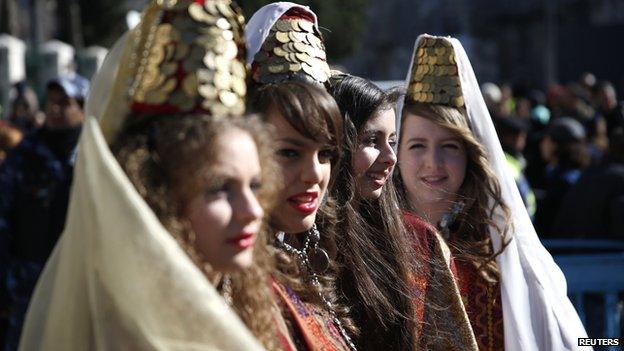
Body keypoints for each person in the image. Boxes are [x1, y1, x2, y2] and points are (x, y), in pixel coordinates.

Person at [19, 1, 280, 350]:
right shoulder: (118, 336)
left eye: (255, 185)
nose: (254, 210)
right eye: (220, 189)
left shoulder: (249, 303)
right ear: (158, 195)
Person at [396, 34, 588, 350]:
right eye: (417, 145)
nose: (434, 162)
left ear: (469, 156)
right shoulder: (374, 249)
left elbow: (576, 339)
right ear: (397, 153)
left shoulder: (506, 256)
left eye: (449, 146)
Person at [250, 81, 356, 350]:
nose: (314, 174)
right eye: (289, 153)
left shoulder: (304, 255)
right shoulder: (240, 282)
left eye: (325, 154)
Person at [328, 73, 419, 350]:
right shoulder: (309, 244)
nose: (390, 157)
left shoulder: (406, 239)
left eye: (392, 141)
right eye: (371, 140)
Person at [0, 73, 89, 349]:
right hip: (27, 282)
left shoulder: (94, 154)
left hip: (77, 281)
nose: (54, 109)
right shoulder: (26, 153)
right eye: (51, 101)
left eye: (65, 103)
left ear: (83, 108)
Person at [534, 117, 590, 236]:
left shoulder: (563, 182)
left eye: (546, 139)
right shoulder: (579, 175)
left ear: (555, 145)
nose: (542, 144)